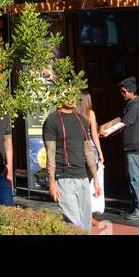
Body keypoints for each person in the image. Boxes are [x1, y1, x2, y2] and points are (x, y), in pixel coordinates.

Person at [42, 96, 100, 233]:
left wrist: (96, 180)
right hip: (64, 178)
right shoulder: (52, 120)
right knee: (74, 224)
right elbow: (50, 154)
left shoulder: (81, 119)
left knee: (86, 225)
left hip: (83, 178)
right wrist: (51, 182)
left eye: (74, 94)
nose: (71, 98)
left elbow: (88, 151)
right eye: (67, 94)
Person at [100, 76, 139, 219]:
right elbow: (121, 120)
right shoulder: (132, 104)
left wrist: (107, 133)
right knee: (132, 177)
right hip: (130, 145)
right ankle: (136, 206)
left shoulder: (135, 105)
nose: (122, 94)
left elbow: (125, 122)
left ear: (130, 91)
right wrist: (106, 126)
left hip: (134, 145)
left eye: (123, 91)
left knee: (135, 177)